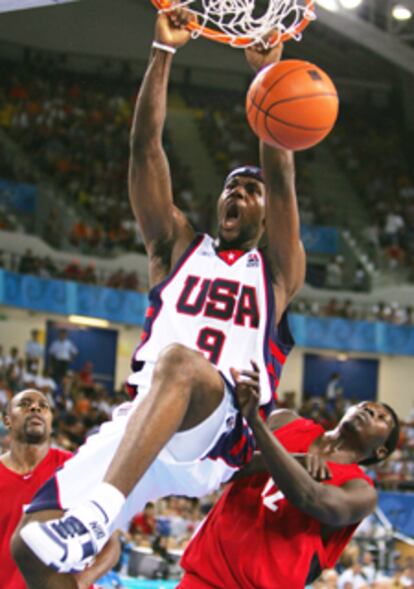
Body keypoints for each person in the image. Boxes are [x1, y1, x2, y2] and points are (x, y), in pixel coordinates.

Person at [12, 9, 305, 586]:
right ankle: (84, 538)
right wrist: (162, 51)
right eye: (230, 187)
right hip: (143, 421)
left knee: (180, 364)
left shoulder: (275, 271)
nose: (237, 194)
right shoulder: (177, 247)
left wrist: (266, 80)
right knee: (29, 543)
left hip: (217, 429)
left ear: (267, 214)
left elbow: (285, 179)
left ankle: (95, 516)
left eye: (250, 190)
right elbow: (146, 149)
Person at [178, 368, 400, 588]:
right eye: (365, 406)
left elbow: (311, 498)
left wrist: (256, 423)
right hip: (204, 575)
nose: (369, 410)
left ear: (381, 452)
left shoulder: (362, 492)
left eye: (382, 418)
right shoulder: (286, 421)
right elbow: (224, 468)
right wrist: (296, 459)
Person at [0, 388, 119, 589]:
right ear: (7, 420)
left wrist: (80, 583)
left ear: (51, 422)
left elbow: (112, 544)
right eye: (25, 404)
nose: (35, 407)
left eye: (43, 406)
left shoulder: (75, 468)